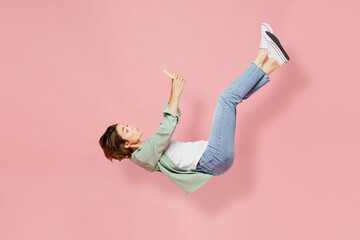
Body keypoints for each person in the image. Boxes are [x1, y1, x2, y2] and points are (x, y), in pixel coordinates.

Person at [99, 23, 290, 194]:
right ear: (126, 145)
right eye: (126, 130)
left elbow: (165, 129)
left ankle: (271, 60)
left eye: (126, 125)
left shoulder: (146, 150)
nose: (131, 127)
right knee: (226, 99)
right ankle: (264, 54)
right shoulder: (142, 156)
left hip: (212, 156)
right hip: (213, 157)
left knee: (233, 99)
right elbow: (166, 129)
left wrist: (175, 95)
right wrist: (175, 92)